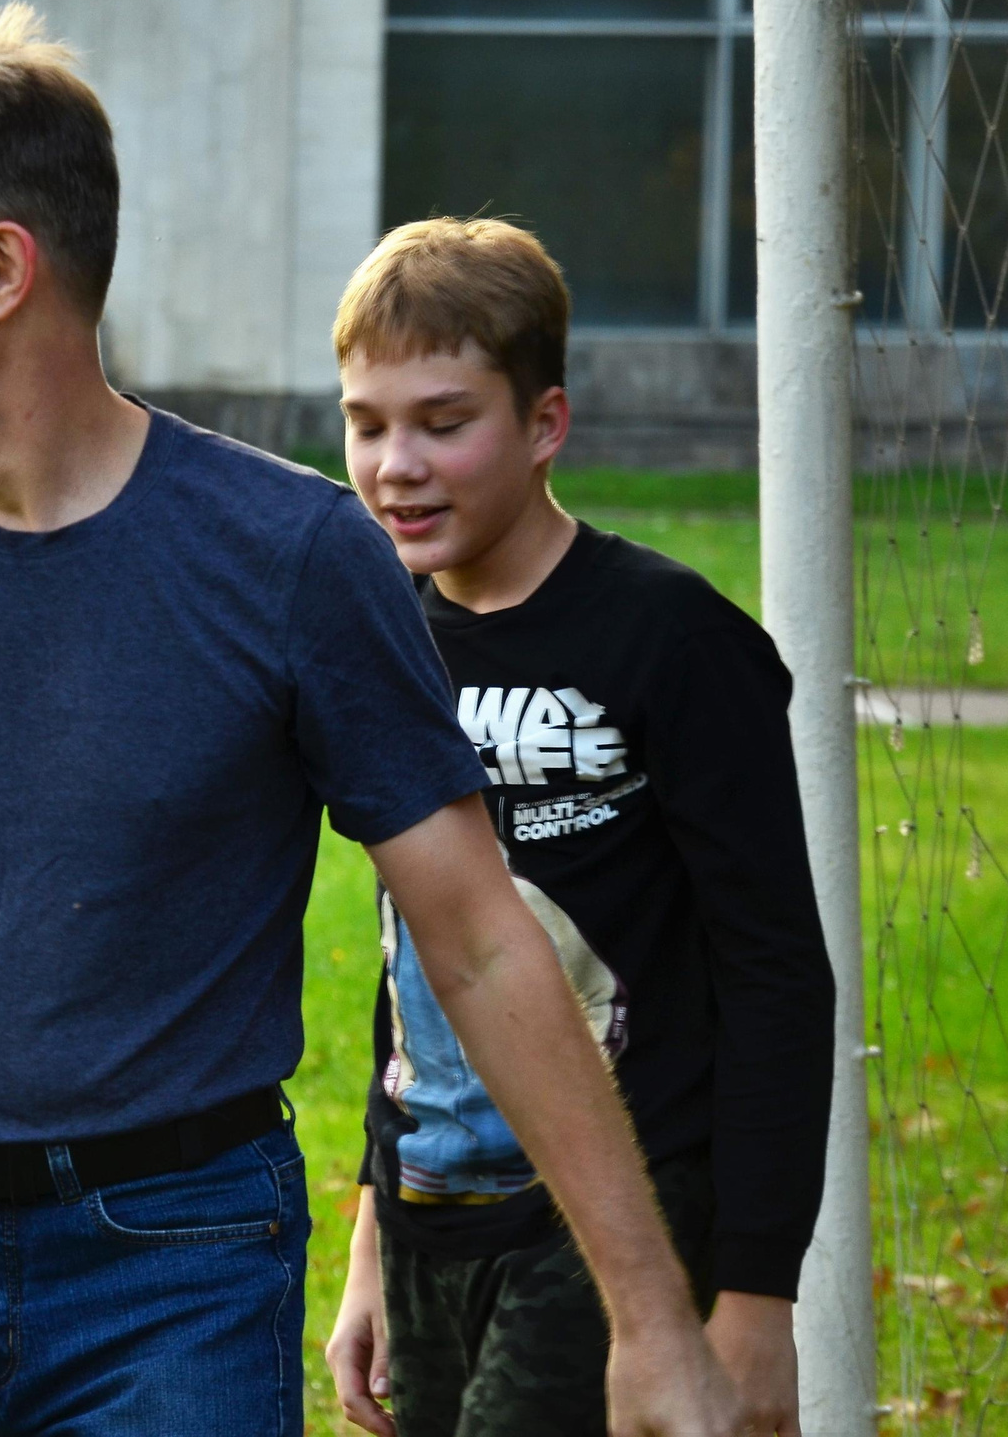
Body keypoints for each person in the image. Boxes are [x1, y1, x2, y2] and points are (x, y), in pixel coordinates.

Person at [0, 7, 744, 1437]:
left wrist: (648, 1319)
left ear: (3, 269)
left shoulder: (294, 559)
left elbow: (483, 940)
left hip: (173, 1276)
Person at [322, 218, 837, 1437]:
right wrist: (369, 1239)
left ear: (545, 423)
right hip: (430, 1216)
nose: (396, 463)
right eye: (366, 422)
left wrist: (756, 1297)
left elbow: (775, 974)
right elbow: (417, 956)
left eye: (444, 423)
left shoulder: (676, 641)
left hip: (618, 1220)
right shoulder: (379, 639)